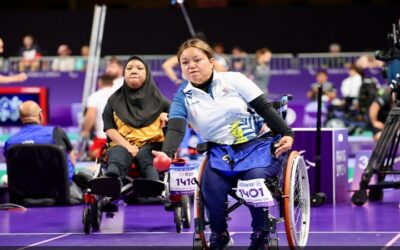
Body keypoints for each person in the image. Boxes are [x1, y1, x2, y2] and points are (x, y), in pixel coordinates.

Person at [152, 38, 294, 249]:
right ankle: (219, 233)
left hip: (256, 145)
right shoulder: (182, 96)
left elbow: (263, 107)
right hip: (220, 152)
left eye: (197, 60)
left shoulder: (234, 79)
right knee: (211, 185)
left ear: (211, 61)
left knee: (253, 181)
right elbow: (175, 127)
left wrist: (286, 132)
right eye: (185, 62)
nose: (191, 66)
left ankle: (261, 233)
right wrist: (167, 153)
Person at [101, 55, 170, 182]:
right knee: (117, 154)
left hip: (152, 146)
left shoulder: (163, 103)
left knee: (146, 155)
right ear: (124, 73)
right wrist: (127, 146)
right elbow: (109, 128)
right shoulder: (113, 101)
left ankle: (154, 185)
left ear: (147, 73)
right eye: (129, 68)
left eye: (139, 68)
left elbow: (174, 129)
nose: (133, 71)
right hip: (122, 143)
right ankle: (111, 180)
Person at [3, 100, 83, 201]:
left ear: (21, 118)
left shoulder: (10, 142)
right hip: (58, 195)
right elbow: (71, 161)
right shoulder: (56, 132)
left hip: (24, 198)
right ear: (41, 115)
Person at [80, 74, 115, 160]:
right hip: (121, 136)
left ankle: (112, 151)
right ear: (112, 83)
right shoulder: (120, 94)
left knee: (93, 154)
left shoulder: (95, 96)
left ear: (100, 83)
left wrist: (85, 131)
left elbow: (90, 116)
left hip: (103, 136)